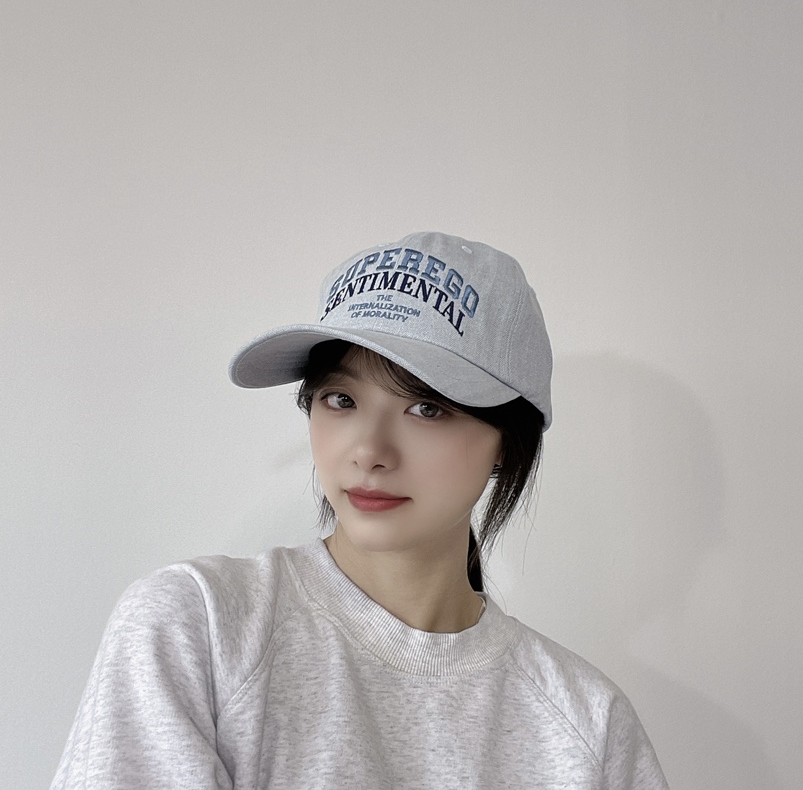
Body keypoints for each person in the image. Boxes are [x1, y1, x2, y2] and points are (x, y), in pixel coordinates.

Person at [51, 231, 669, 788]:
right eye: (340, 399)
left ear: (508, 441)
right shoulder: (199, 628)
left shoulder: (587, 727)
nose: (369, 452)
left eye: (427, 408)